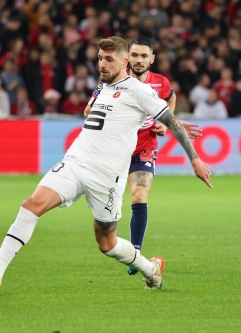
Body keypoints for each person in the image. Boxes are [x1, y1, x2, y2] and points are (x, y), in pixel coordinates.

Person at [0, 37, 212, 292]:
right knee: (31, 205)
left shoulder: (139, 90)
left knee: (107, 243)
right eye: (100, 58)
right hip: (76, 162)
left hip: (107, 177)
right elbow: (94, 113)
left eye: (108, 59)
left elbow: (173, 122)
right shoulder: (102, 86)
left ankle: (151, 269)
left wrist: (195, 159)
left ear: (125, 62)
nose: (101, 63)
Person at [84, 37, 202, 275]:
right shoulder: (111, 81)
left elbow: (170, 99)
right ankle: (119, 247)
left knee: (139, 195)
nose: (139, 60)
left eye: (143, 56)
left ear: (152, 59)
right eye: (134, 56)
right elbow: (88, 111)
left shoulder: (161, 83)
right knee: (106, 211)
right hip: (115, 151)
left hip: (143, 148)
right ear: (127, 58)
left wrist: (165, 122)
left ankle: (135, 253)